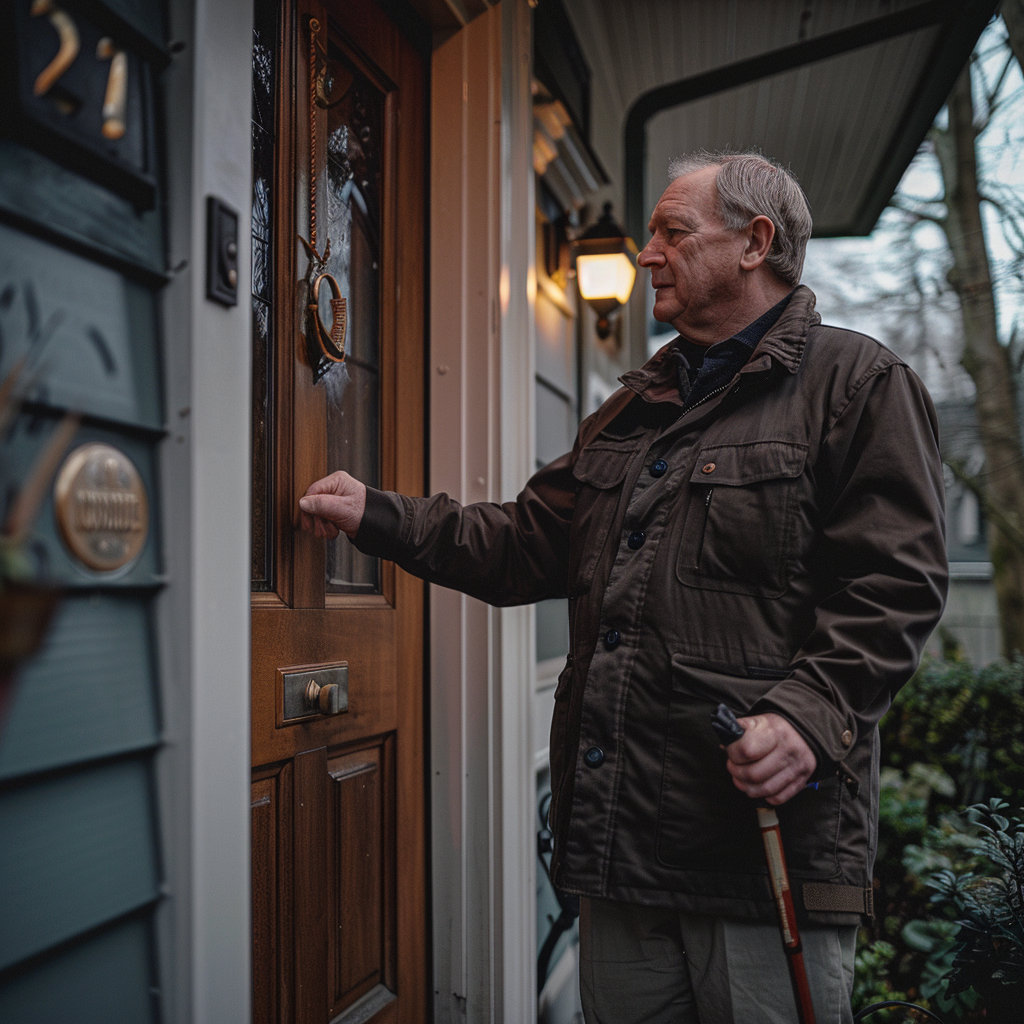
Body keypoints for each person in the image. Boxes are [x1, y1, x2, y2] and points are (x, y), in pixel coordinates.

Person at [298, 151, 948, 1023]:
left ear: (755, 243)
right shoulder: (637, 406)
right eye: (650, 237)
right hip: (619, 850)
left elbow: (896, 581)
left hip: (758, 860)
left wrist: (806, 713)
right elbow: (525, 543)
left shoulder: (858, 386)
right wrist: (378, 514)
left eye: (673, 233)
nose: (648, 254)